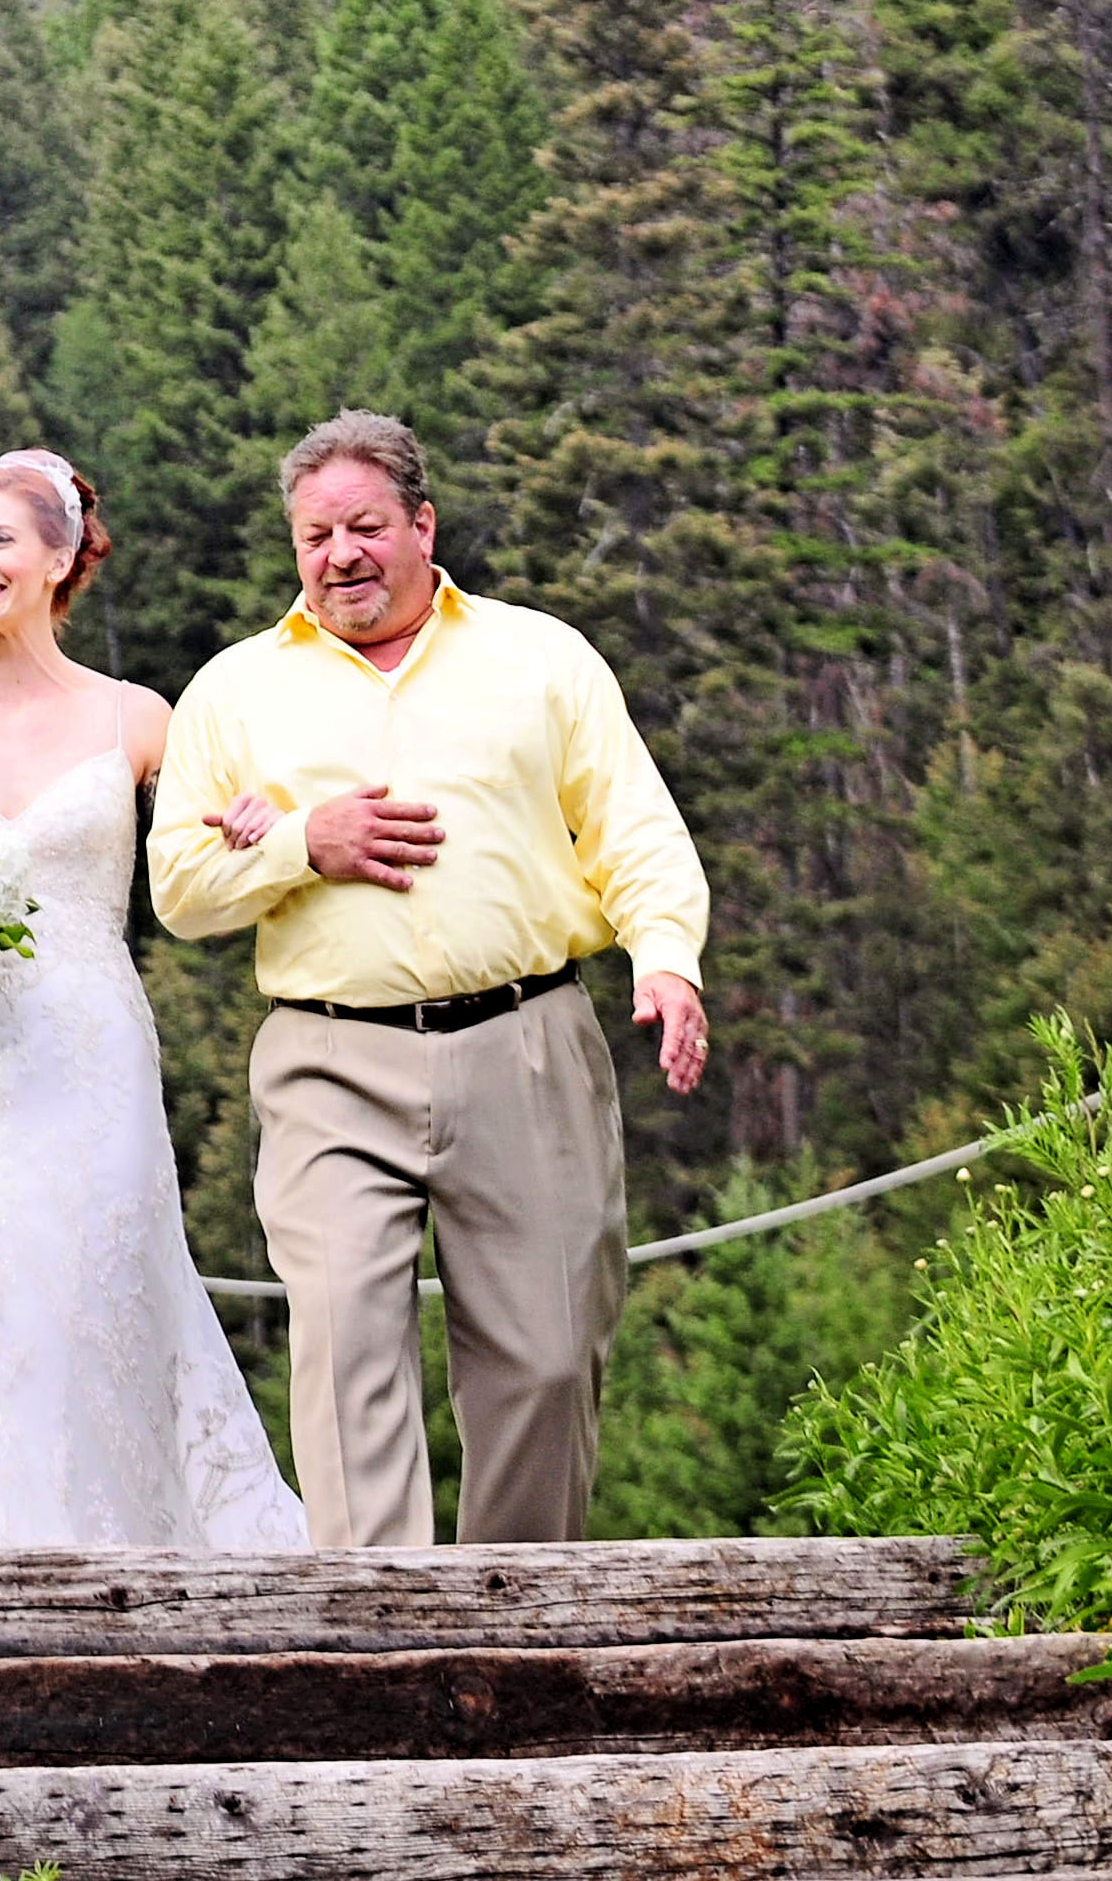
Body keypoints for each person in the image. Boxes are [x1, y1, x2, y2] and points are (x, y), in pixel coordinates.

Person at [147, 410, 711, 1548]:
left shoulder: (539, 656)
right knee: (346, 1338)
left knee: (547, 1357)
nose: (338, 554)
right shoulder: (233, 688)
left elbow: (631, 827)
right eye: (313, 535)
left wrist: (664, 957)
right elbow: (180, 884)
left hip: (526, 1040)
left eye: (362, 525)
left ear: (420, 523)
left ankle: (510, 1622)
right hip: (326, 1057)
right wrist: (307, 840)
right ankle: (376, 1637)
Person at [0, 450, 307, 1552]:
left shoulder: (135, 717)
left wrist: (255, 815)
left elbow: (215, 825)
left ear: (62, 557)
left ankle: (131, 1561)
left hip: (89, 1054)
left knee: (99, 1304)